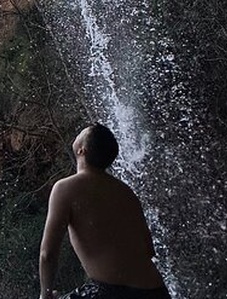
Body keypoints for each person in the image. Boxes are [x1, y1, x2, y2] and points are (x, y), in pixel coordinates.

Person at [39, 124, 170, 299]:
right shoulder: (125, 191)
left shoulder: (65, 189)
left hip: (113, 292)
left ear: (81, 150)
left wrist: (45, 294)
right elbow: (148, 249)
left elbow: (48, 254)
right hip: (156, 291)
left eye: (81, 133)